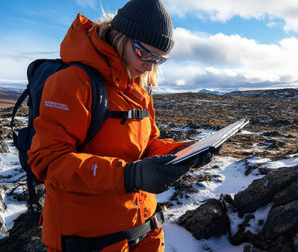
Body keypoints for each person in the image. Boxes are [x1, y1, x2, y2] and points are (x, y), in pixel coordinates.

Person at [27, 0, 213, 251]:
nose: (150, 66)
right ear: (120, 37)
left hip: (145, 232)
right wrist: (128, 176)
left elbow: (147, 145)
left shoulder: (140, 87)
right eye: (144, 53)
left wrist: (184, 152)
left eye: (160, 59)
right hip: (91, 242)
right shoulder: (72, 83)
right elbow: (49, 162)